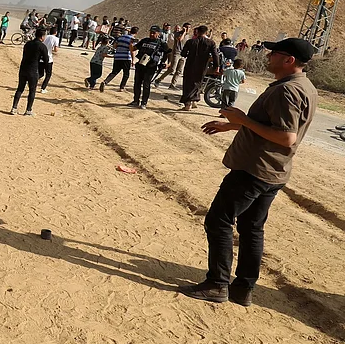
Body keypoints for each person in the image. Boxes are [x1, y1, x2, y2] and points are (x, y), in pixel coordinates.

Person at [187, 39, 318, 305]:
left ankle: (217, 284)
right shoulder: (304, 86)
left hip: (254, 170)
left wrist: (243, 120)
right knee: (251, 227)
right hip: (273, 171)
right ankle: (243, 289)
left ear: (289, 60)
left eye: (274, 53)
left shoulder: (287, 91)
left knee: (219, 221)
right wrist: (232, 126)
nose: (268, 56)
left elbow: (286, 137)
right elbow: (272, 126)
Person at [12, 28, 50, 116]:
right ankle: (28, 110)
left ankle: (14, 108)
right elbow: (46, 60)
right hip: (33, 70)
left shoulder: (28, 44)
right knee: (32, 90)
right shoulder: (42, 46)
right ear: (42, 36)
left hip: (23, 68)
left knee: (20, 89)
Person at [129, 26, 168, 108]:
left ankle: (144, 103)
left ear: (158, 33)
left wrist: (165, 63)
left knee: (146, 85)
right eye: (151, 32)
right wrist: (131, 44)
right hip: (140, 64)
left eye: (154, 33)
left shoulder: (162, 43)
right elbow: (133, 49)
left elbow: (168, 53)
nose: (151, 34)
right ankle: (135, 101)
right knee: (137, 83)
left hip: (151, 66)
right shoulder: (144, 40)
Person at [180, 25, 217, 111]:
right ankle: (194, 101)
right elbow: (215, 55)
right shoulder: (211, 43)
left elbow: (183, 54)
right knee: (198, 82)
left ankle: (188, 103)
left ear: (198, 32)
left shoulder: (190, 42)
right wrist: (216, 66)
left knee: (188, 83)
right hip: (202, 66)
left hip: (190, 65)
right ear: (206, 32)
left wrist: (190, 54)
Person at [99, 26, 137, 92]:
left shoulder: (121, 37)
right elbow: (132, 50)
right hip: (126, 58)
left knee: (114, 72)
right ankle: (122, 87)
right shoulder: (132, 39)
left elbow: (114, 46)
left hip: (117, 57)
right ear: (136, 33)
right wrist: (133, 60)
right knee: (126, 74)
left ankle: (105, 82)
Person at [40, 26, 60, 93]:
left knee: (41, 73)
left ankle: (30, 81)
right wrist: (52, 51)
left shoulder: (45, 37)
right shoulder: (56, 39)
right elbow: (56, 49)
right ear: (56, 32)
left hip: (41, 58)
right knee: (48, 74)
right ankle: (43, 88)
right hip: (49, 58)